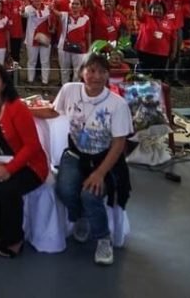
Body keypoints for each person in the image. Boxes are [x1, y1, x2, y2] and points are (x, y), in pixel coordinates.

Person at [35, 54, 132, 266]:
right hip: (75, 154)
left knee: (91, 194)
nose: (95, 76)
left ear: (107, 75)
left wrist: (99, 173)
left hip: (105, 159)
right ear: (82, 72)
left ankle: (103, 238)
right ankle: (80, 216)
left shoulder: (118, 105)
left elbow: (118, 144)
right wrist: (25, 110)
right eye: (91, 70)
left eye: (101, 71)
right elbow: (53, 111)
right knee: (65, 190)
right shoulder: (69, 90)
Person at [0, 60, 49, 258]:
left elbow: (32, 146)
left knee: (8, 189)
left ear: (4, 83)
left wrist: (10, 169)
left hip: (30, 165)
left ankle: (14, 238)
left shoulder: (17, 107)